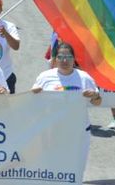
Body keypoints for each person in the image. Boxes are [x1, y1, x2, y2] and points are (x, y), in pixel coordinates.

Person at [32, 42, 101, 175]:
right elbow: (33, 101)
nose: (64, 60)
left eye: (68, 57)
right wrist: (33, 94)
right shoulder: (45, 77)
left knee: (75, 170)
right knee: (52, 169)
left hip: (78, 133)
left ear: (74, 59)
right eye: (60, 57)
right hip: (52, 132)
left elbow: (97, 102)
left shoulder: (84, 78)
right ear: (55, 59)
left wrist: (95, 95)